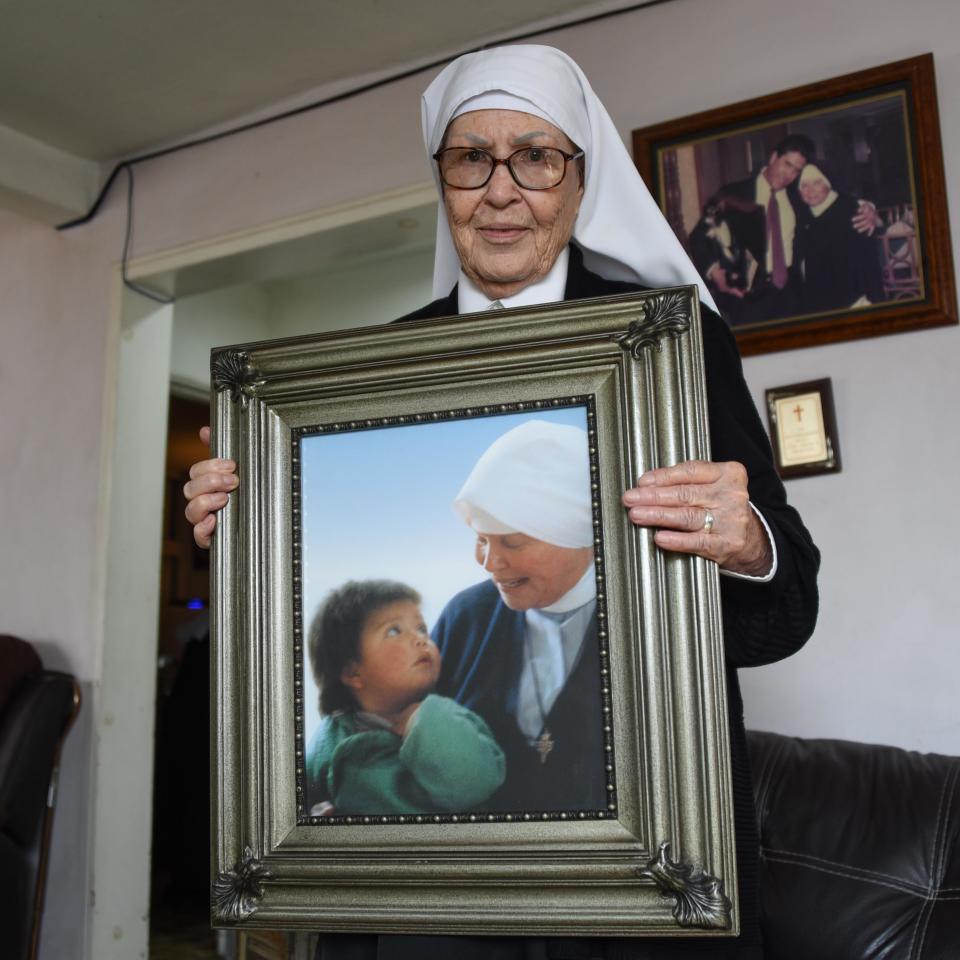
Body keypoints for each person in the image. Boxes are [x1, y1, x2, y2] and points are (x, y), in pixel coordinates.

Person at [184, 44, 820, 959]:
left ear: (577, 180)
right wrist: (242, 532)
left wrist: (744, 540)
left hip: (644, 916)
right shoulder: (372, 374)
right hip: (435, 918)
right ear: (443, 182)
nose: (502, 189)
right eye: (469, 158)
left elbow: (782, 621)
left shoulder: (674, 350)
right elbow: (342, 695)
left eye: (536, 156)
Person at [433, 419, 605, 812]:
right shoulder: (465, 617)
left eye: (512, 541)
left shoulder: (646, 615)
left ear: (580, 532)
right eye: (480, 539)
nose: (490, 563)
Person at [305, 579, 506, 816]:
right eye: (393, 631)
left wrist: (420, 721)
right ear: (352, 672)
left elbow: (474, 784)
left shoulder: (449, 718)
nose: (421, 639)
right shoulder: (329, 739)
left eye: (421, 628)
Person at [688, 134, 877, 326]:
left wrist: (866, 206)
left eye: (797, 170)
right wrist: (714, 271)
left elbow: (832, 196)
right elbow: (699, 236)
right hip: (748, 295)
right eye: (787, 164)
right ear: (773, 158)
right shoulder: (734, 193)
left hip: (792, 294)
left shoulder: (799, 196)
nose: (789, 175)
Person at [796, 163, 885, 314]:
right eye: (804, 185)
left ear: (828, 184)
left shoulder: (852, 209)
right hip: (820, 301)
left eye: (817, 182)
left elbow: (869, 261)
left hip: (855, 301)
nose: (810, 190)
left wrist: (871, 300)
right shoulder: (803, 214)